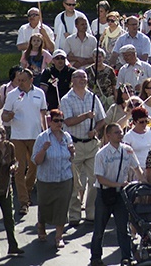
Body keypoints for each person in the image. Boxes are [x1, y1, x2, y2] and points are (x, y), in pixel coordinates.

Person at [90, 123, 145, 266]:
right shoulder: (101, 154)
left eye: (121, 132)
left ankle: (127, 257)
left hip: (121, 195)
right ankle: (95, 258)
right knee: (99, 229)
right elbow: (100, 178)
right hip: (104, 194)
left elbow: (137, 168)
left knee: (123, 229)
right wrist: (117, 184)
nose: (120, 135)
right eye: (116, 133)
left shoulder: (127, 151)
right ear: (108, 136)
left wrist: (144, 183)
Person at [61, 69, 106, 226]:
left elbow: (102, 119)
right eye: (78, 77)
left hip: (92, 144)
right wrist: (86, 116)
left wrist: (96, 129)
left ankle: (91, 212)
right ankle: (74, 215)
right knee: (75, 182)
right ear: (72, 80)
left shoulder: (93, 97)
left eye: (84, 77)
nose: (82, 79)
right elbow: (68, 121)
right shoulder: (66, 99)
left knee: (95, 179)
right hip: (75, 145)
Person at [1, 68, 47, 215]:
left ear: (31, 80)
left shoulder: (39, 93)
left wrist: (46, 132)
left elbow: (43, 113)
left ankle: (26, 192)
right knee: (20, 169)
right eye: (18, 80)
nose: (20, 83)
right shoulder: (12, 95)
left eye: (23, 80)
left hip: (35, 136)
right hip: (18, 137)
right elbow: (4, 116)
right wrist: (9, 116)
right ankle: (23, 201)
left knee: (34, 167)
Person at [31, 110, 74, 249]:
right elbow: (36, 161)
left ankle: (58, 236)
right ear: (50, 122)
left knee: (62, 207)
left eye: (61, 120)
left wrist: (73, 152)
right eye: (56, 120)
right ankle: (41, 226)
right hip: (47, 179)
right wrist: (43, 150)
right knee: (45, 206)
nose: (59, 123)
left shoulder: (67, 136)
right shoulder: (42, 137)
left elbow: (71, 158)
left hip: (64, 178)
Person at [0, 125, 24, 255]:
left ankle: (12, 245)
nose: (2, 134)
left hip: (6, 186)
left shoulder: (10, 146)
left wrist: (14, 166)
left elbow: (14, 161)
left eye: (3, 132)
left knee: (9, 217)